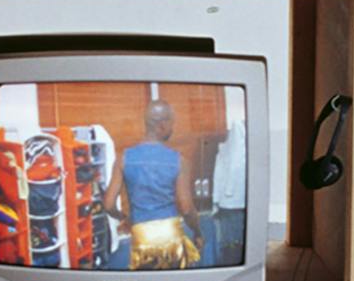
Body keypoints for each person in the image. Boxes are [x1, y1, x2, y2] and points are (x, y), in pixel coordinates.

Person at [103, 100, 201, 270]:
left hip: (142, 235)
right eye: (172, 124)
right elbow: (186, 208)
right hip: (170, 236)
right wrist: (198, 232)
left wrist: (124, 218)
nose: (173, 128)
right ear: (162, 125)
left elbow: (108, 204)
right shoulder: (179, 160)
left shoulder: (123, 158)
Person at [204, 110, 247, 267]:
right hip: (234, 198)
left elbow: (235, 162)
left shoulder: (236, 128)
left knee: (231, 243)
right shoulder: (238, 129)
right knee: (235, 240)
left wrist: (224, 194)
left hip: (231, 199)